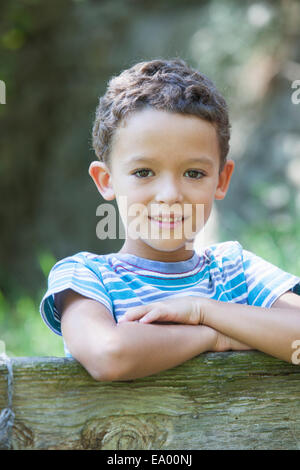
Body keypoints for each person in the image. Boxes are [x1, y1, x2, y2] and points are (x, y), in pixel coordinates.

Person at [40, 58, 300, 381]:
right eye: (143, 172)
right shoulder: (86, 278)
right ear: (106, 180)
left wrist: (201, 310)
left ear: (221, 179)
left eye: (193, 173)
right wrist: (214, 336)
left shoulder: (236, 271)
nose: (169, 194)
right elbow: (109, 354)